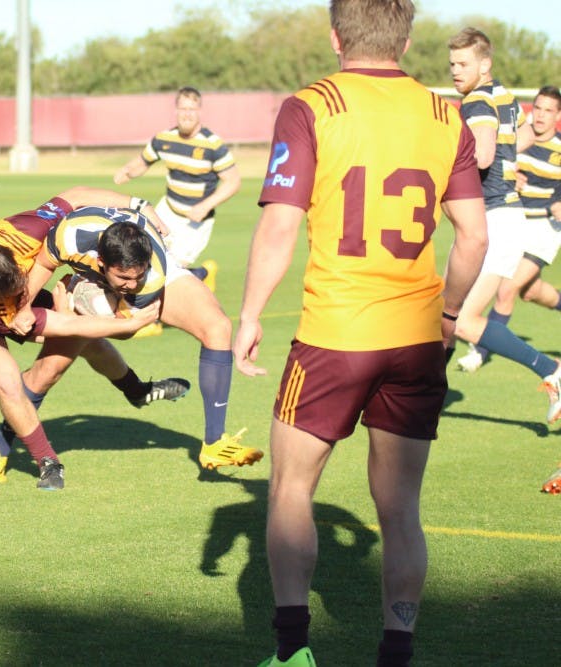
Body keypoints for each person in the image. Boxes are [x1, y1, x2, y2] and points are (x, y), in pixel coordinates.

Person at [232, 1, 488, 665]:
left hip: (336, 332)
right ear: (405, 38)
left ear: (335, 34)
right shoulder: (445, 114)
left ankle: (292, 653)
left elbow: (280, 226)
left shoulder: (310, 105)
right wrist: (451, 315)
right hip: (414, 336)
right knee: (400, 506)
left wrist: (250, 314)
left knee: (291, 487)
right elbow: (474, 236)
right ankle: (395, 652)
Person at [0, 197, 262, 482]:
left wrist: (81, 319)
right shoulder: (71, 234)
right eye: (124, 277)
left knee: (218, 327)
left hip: (155, 276)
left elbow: (126, 330)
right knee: (48, 372)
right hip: (86, 278)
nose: (131, 282)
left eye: (135, 277)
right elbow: (42, 264)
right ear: (102, 262)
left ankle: (214, 443)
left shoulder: (150, 274)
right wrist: (25, 308)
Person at [0, 187, 166, 490]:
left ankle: (136, 391)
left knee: (88, 343)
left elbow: (78, 194)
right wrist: (125, 324)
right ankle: (47, 461)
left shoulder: (25, 231)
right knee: (8, 380)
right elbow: (67, 326)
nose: (20, 295)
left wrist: (140, 205)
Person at [444, 28, 561, 421]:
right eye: (452, 64)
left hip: (494, 222)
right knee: (446, 312)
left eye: (463, 64)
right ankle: (420, 397)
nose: (455, 72)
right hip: (505, 219)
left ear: (484, 63)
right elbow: (521, 138)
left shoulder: (476, 102)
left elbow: (481, 156)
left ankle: (552, 371)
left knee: (459, 319)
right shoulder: (504, 96)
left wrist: (440, 164)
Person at [456, 85, 561, 370]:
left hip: (544, 228)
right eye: (537, 108)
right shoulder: (516, 144)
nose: (540, 115)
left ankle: (480, 351)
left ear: (558, 115)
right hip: (514, 222)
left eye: (548, 110)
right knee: (531, 292)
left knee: (507, 290)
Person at [113, 86, 240, 294]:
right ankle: (150, 314)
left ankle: (201, 275)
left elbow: (233, 181)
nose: (187, 114)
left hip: (196, 221)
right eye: (183, 108)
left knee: (173, 270)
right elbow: (144, 161)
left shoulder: (213, 145)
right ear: (176, 111)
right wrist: (127, 171)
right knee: (146, 256)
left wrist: (205, 206)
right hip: (167, 210)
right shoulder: (164, 139)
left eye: (192, 109)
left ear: (200, 111)